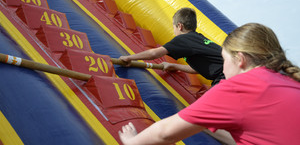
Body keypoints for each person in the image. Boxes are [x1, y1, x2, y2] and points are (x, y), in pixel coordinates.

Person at [118, 23, 300, 145]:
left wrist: (132, 141)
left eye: (224, 59)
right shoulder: (291, 81)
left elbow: (165, 133)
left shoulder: (237, 88)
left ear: (240, 59)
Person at [119, 7, 224, 86]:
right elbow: (198, 69)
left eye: (173, 27)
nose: (174, 31)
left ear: (180, 26)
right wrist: (174, 66)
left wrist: (129, 58)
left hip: (225, 77)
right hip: (232, 73)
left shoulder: (184, 39)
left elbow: (154, 53)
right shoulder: (198, 38)